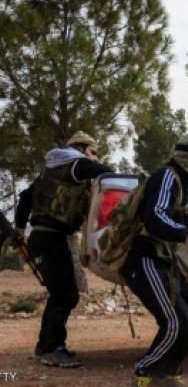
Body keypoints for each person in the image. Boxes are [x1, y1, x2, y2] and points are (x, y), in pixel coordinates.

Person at [121, 132, 188, 387]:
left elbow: (176, 217)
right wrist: (186, 235)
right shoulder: (166, 176)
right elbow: (155, 217)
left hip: (163, 259)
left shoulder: (179, 182)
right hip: (145, 258)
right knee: (176, 321)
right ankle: (145, 373)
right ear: (187, 157)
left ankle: (167, 372)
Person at [15, 131, 113, 368]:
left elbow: (26, 197)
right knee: (65, 294)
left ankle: (49, 346)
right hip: (49, 239)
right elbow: (106, 172)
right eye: (93, 152)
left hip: (45, 238)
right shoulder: (77, 164)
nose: (94, 157)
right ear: (81, 148)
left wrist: (19, 230)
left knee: (63, 293)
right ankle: (49, 349)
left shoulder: (50, 170)